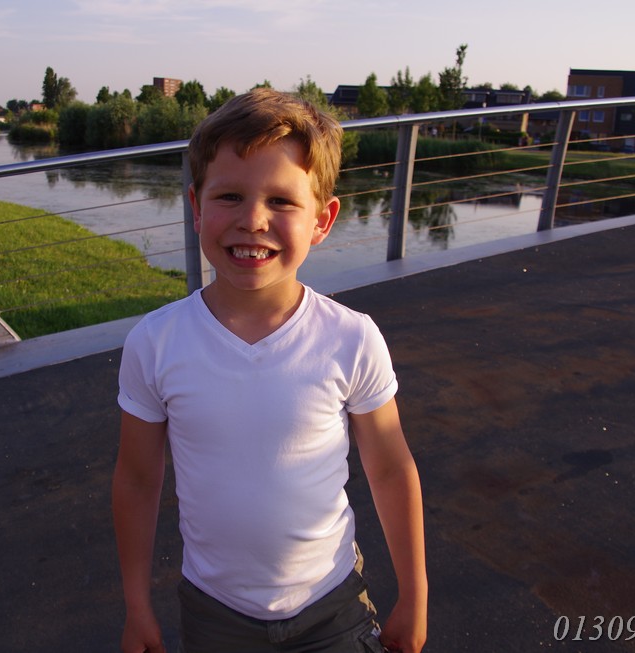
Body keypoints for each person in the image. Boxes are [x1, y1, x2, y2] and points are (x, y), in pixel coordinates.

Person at [113, 88, 427, 653]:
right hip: (215, 612)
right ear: (196, 206)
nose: (252, 220)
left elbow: (390, 467)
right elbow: (137, 480)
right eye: (230, 196)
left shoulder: (351, 339)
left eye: (281, 201)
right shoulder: (156, 343)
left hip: (332, 606)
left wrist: (416, 593)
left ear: (322, 220)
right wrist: (137, 607)